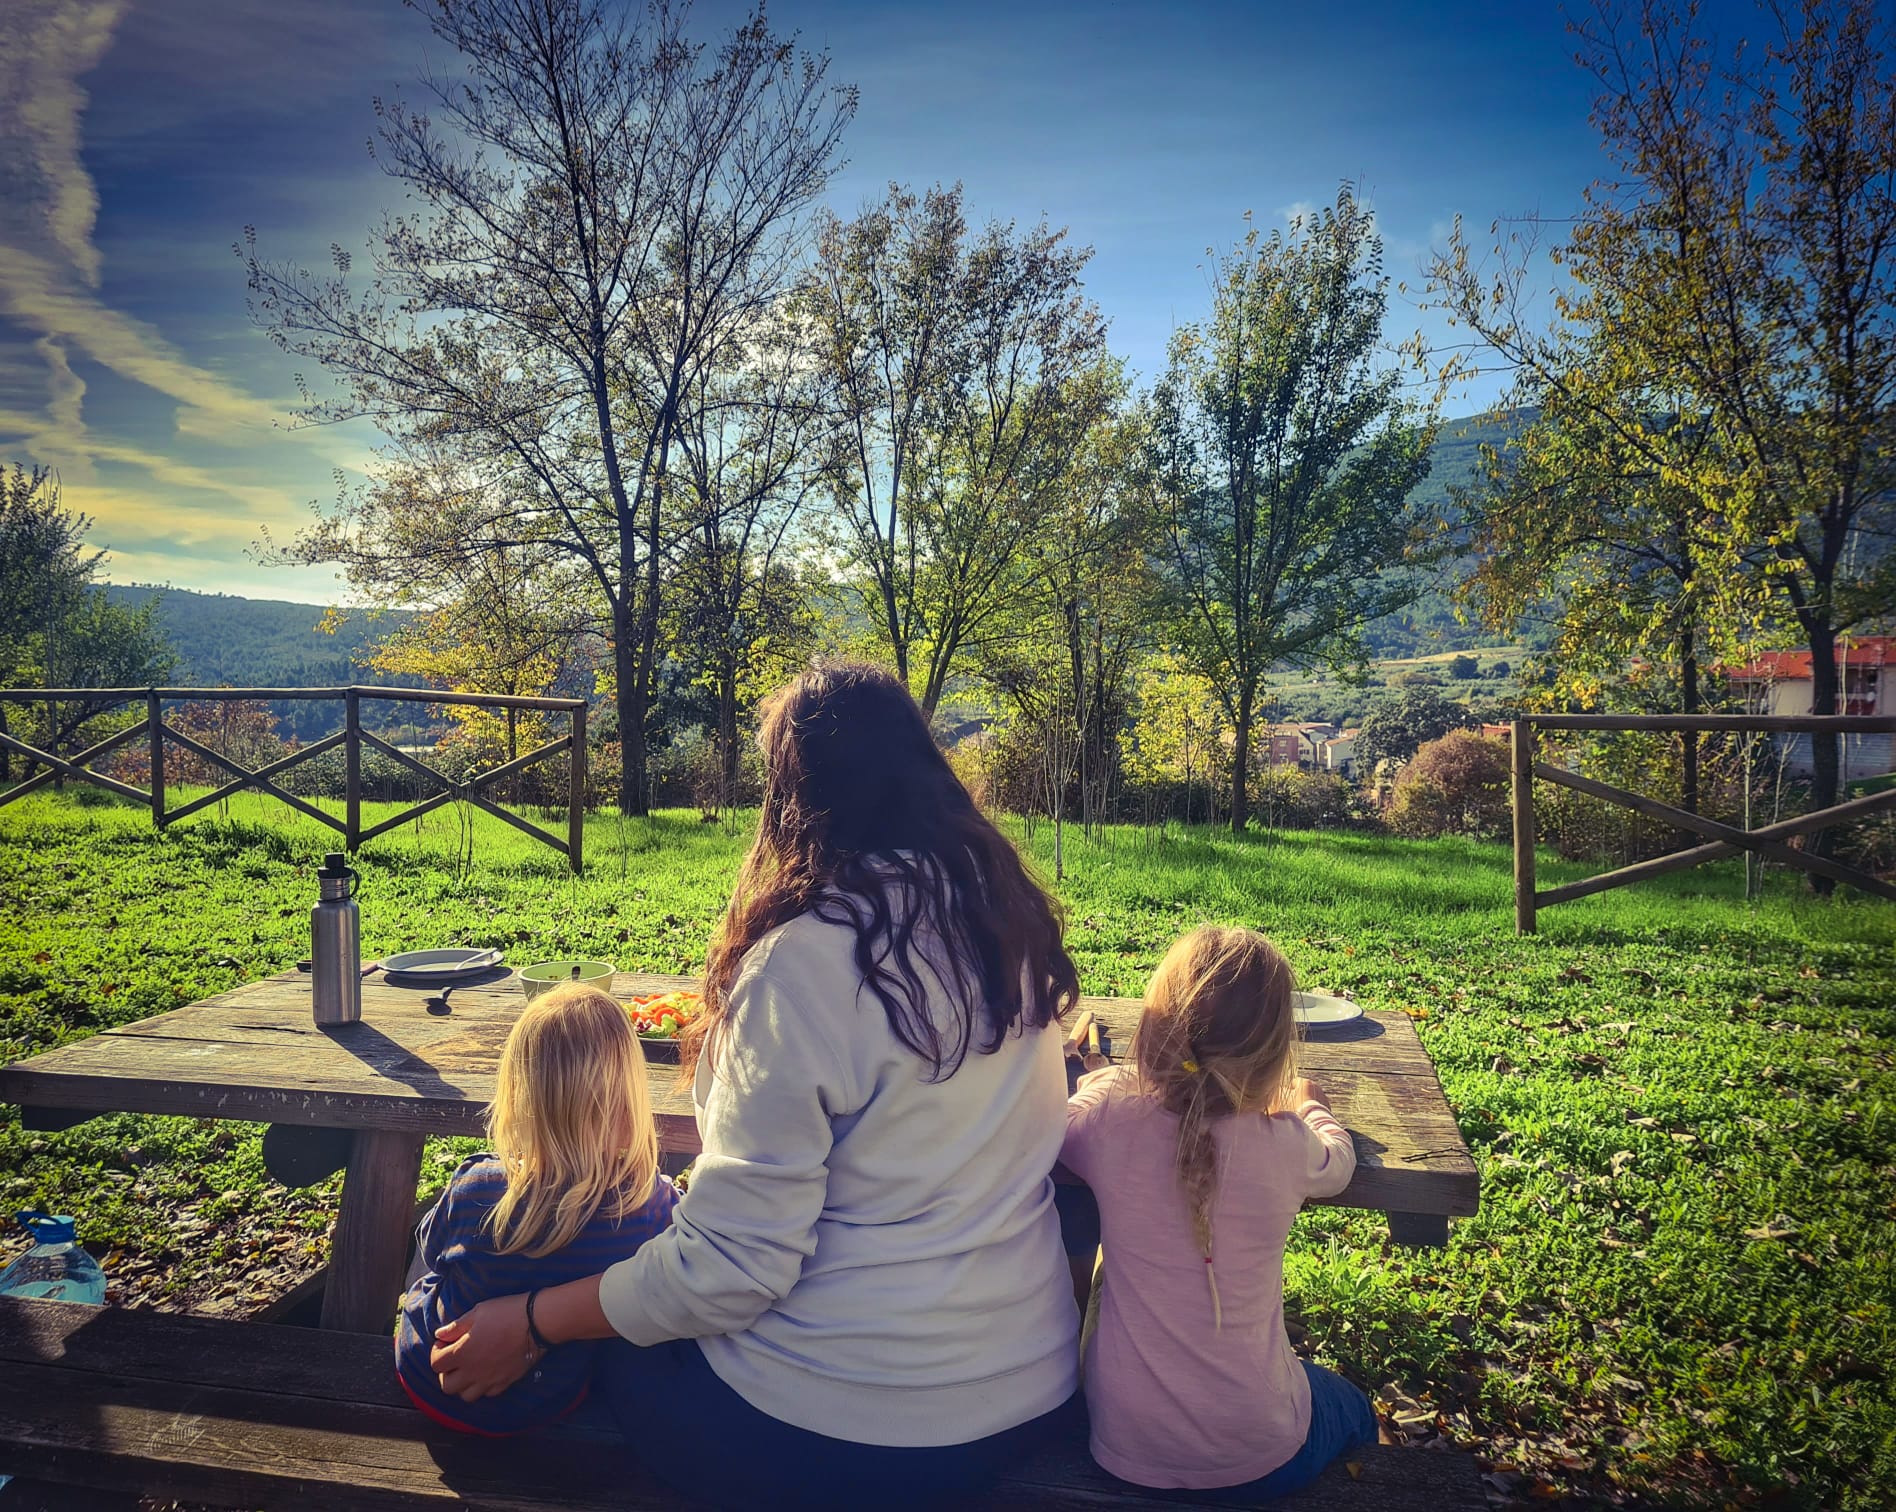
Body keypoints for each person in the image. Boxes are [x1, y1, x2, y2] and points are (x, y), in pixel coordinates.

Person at [428, 660, 1084, 1507]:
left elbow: (730, 1272)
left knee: (599, 1351)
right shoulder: (1004, 928)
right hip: (1031, 1389)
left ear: (794, 800)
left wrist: (528, 1322)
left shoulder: (802, 964)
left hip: (846, 1428)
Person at [1059, 925, 1377, 1497]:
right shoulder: (1286, 1143)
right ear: (1274, 1053)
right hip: (1258, 1448)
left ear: (1154, 1035)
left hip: (1124, 1441)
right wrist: (1313, 1108)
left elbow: (1063, 1126)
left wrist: (1105, 1080)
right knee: (1354, 1407)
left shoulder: (1111, 1122)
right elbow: (1339, 1164)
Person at [395, 981, 678, 1435]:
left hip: (429, 1380)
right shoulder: (649, 1207)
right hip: (546, 1403)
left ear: (516, 1098)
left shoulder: (477, 1187)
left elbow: (430, 1249)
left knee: (430, 1277)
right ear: (630, 1102)